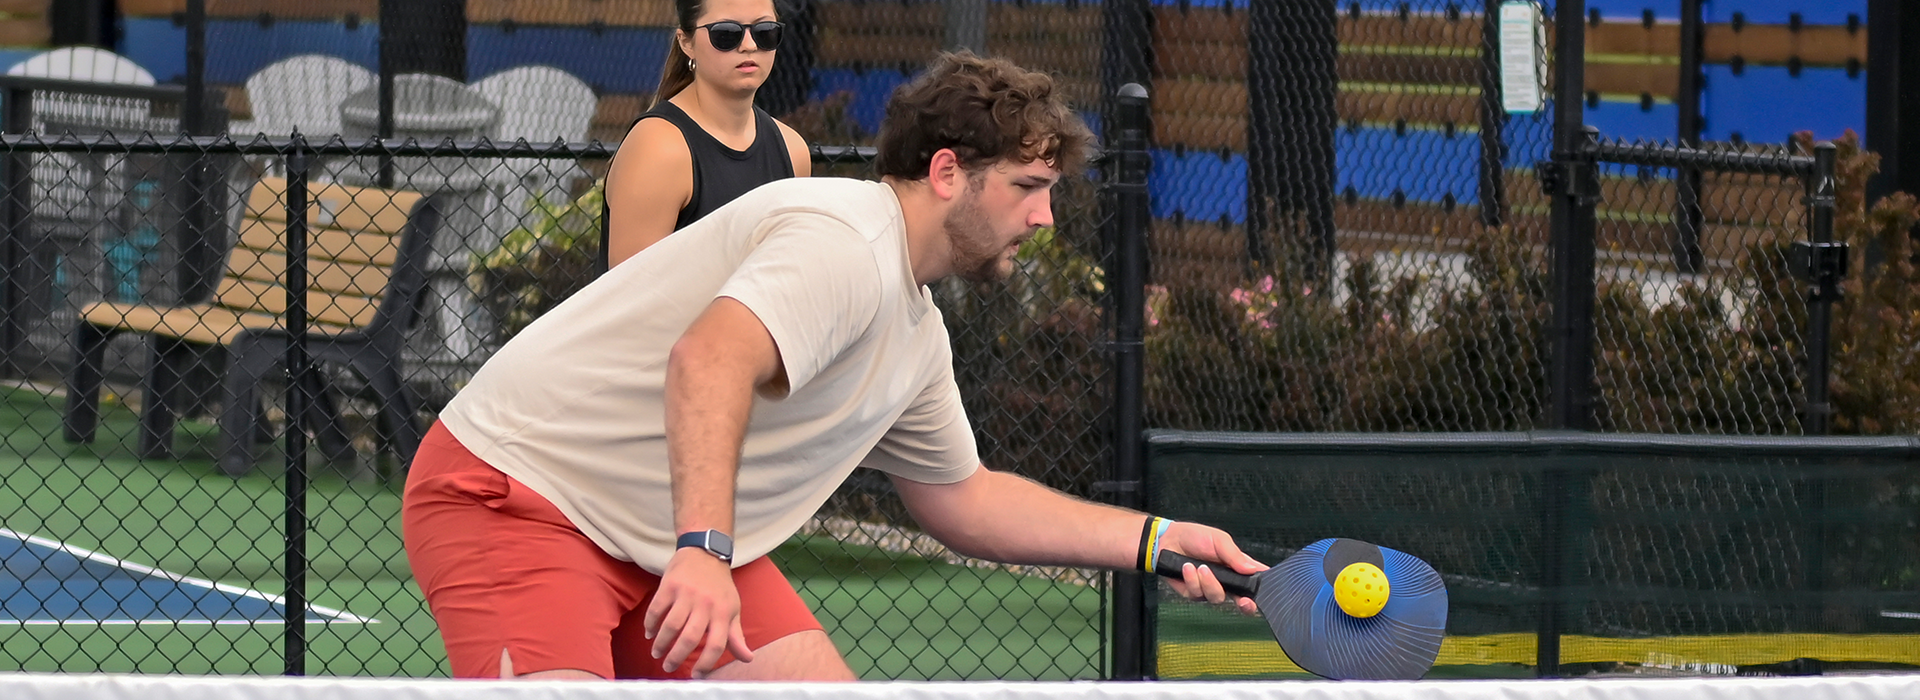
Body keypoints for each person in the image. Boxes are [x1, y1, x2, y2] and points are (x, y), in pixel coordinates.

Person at [402, 52, 1267, 681]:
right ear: (946, 173)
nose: (1044, 219)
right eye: (1026, 188)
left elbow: (964, 500)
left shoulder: (916, 330)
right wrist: (704, 553)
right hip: (520, 494)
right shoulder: (843, 239)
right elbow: (707, 361)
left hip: (668, 531)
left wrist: (1157, 540)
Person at [599, 0, 814, 270]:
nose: (749, 45)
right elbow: (630, 298)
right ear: (686, 42)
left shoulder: (792, 150)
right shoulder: (659, 147)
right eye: (725, 33)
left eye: (765, 31)